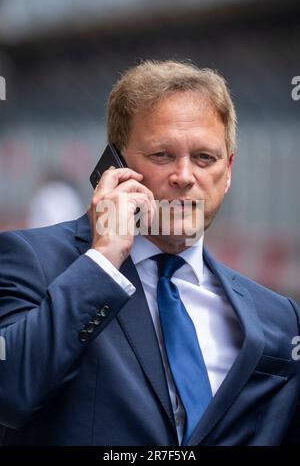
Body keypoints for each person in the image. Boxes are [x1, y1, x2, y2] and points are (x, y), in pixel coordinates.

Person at [0, 60, 299, 446]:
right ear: (116, 165)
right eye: (162, 155)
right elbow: (10, 392)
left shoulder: (279, 318)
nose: (185, 176)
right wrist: (105, 256)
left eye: (204, 158)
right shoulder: (31, 260)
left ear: (228, 173)